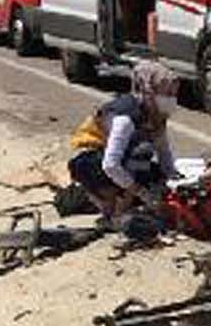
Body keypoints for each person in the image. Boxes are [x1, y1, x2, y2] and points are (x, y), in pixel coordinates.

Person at [67, 60, 182, 220]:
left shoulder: (155, 116)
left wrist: (174, 179)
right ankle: (110, 207)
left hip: (123, 158)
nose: (171, 99)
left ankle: (124, 202)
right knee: (136, 162)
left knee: (153, 173)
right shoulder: (125, 118)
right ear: (148, 90)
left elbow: (164, 153)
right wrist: (140, 192)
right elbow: (111, 165)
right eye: (166, 93)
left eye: (173, 94)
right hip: (91, 159)